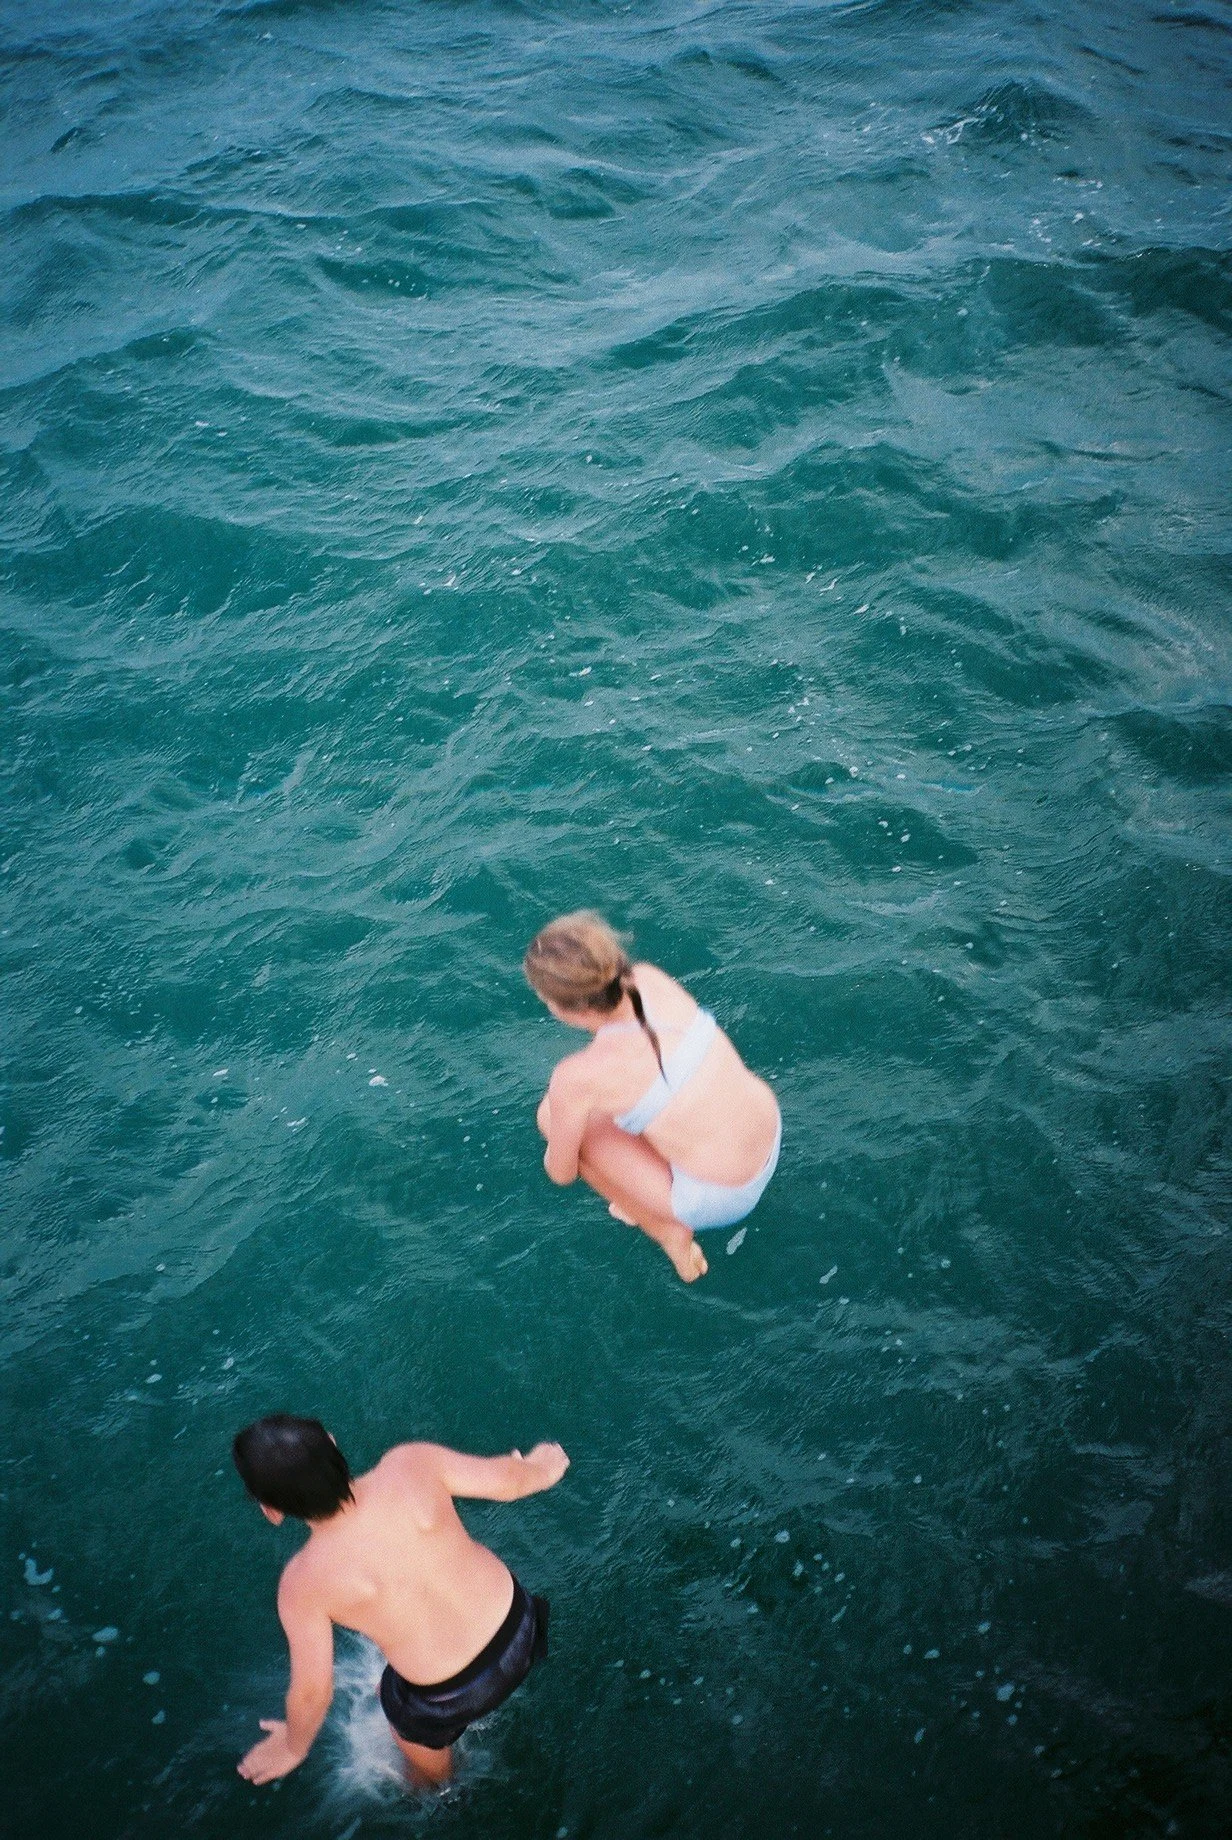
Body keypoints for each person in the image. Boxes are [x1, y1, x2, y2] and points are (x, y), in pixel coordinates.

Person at [232, 1415, 568, 1790]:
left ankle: (437, 1789)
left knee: (411, 1740)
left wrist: (294, 1747)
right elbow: (510, 1481)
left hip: (450, 1697)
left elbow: (313, 1691)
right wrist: (541, 1467)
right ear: (332, 1440)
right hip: (521, 1625)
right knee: (399, 1678)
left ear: (270, 1510)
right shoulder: (410, 1463)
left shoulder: (302, 1583)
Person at [524, 911, 781, 1283]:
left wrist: (561, 1144)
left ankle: (666, 1231)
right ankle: (651, 1185)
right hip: (769, 1130)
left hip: (725, 1197)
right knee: (646, 1097)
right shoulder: (651, 980)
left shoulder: (577, 1076)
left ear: (565, 1010)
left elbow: (561, 1173)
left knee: (553, 1115)